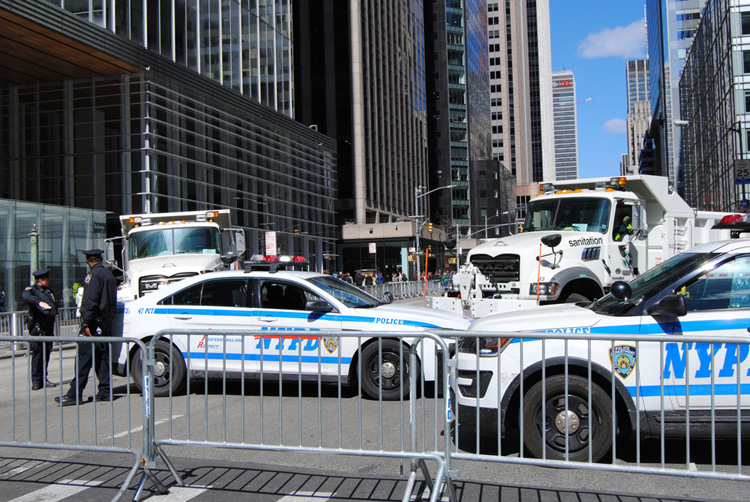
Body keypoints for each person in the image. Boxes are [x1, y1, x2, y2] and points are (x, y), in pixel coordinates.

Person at [55, 249, 118, 406]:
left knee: (84, 358)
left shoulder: (93, 276)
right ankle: (105, 391)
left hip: (93, 323)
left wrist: (85, 324)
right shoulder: (109, 275)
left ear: (89, 261)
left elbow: (90, 301)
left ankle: (74, 394)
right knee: (102, 358)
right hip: (106, 323)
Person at [22, 269, 58, 390]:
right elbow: (25, 296)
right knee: (38, 354)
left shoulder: (48, 290)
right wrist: (39, 302)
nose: (48, 281)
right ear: (40, 280)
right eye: (46, 279)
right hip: (38, 327)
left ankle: (44, 378)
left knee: (46, 353)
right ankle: (36, 381)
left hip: (48, 327)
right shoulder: (32, 290)